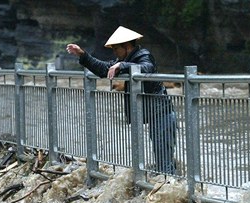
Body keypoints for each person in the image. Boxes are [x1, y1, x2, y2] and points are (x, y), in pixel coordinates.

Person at [66, 26, 177, 175]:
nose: (114, 52)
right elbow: (104, 69)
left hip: (162, 114)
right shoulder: (126, 60)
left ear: (126, 46)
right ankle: (164, 186)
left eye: (115, 49)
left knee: (164, 162)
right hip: (154, 114)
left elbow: (147, 68)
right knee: (161, 160)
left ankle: (172, 189)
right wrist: (83, 55)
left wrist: (122, 65)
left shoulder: (144, 55)